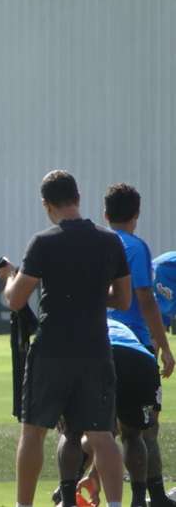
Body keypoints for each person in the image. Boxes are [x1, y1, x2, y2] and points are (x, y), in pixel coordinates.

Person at [0, 170, 130, 507]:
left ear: (46, 204)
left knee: (33, 431)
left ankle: (23, 505)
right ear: (78, 198)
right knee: (102, 435)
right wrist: (94, 295)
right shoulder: (110, 241)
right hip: (96, 350)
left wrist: (8, 278)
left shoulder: (44, 242)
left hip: (52, 351)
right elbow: (123, 299)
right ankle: (115, 504)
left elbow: (15, 299)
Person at [103, 183, 175, 507]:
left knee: (94, 427)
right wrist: (166, 347)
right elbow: (145, 299)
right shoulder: (136, 247)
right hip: (135, 345)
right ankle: (149, 498)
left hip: (95, 342)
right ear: (137, 214)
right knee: (144, 430)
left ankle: (69, 492)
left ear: (105, 214)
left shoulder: (95, 244)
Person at [54, 318, 160, 507]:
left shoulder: (72, 322)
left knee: (71, 431)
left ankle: (67, 499)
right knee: (133, 435)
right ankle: (138, 501)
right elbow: (107, 436)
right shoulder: (121, 327)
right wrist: (95, 475)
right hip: (142, 360)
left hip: (97, 355)